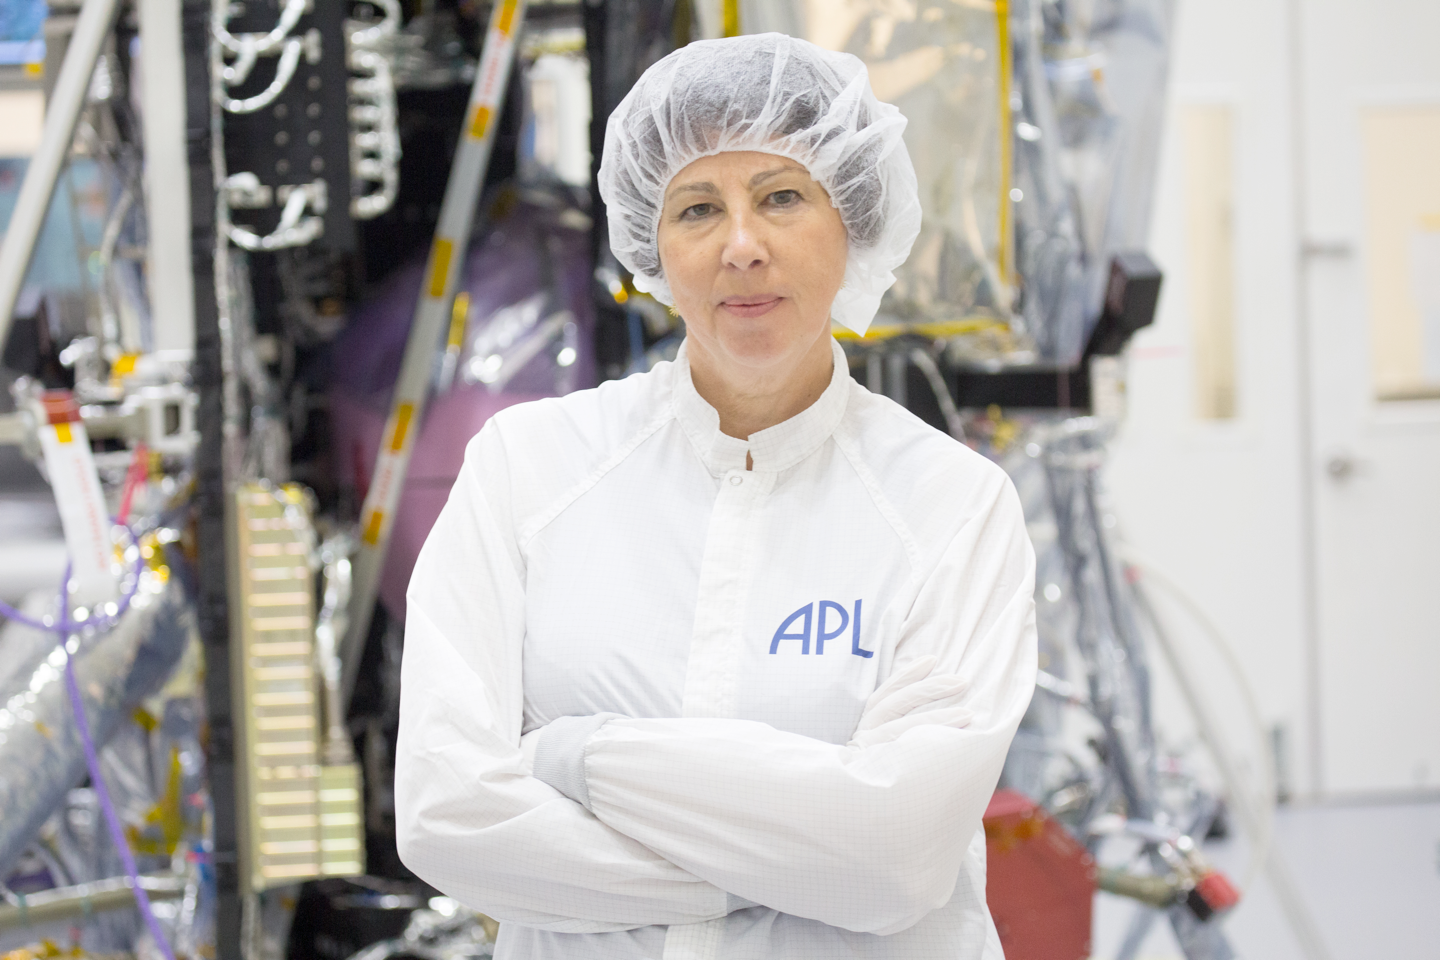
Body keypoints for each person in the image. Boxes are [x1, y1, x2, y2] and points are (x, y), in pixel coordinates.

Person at [395, 32, 1037, 960]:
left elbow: (895, 856)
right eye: (697, 207)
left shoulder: (949, 506)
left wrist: (574, 755)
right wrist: (791, 872)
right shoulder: (530, 469)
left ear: (851, 216)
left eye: (781, 197)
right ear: (651, 246)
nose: (742, 247)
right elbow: (445, 813)